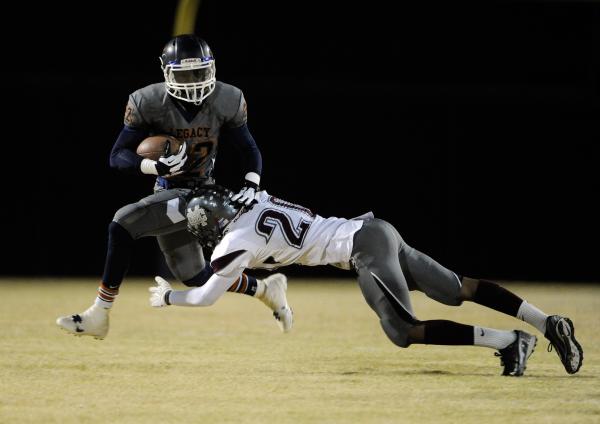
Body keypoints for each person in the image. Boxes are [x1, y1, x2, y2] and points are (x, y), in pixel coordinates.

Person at [148, 184, 583, 376]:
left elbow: (205, 298)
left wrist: (169, 298)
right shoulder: (252, 201)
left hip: (363, 249)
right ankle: (547, 322)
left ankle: (510, 343)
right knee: (458, 289)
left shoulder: (232, 242)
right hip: (377, 230)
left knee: (402, 330)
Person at [56, 34, 292, 340]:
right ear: (166, 71)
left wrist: (251, 181)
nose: (194, 82)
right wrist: (154, 166)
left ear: (212, 69)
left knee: (122, 223)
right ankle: (266, 289)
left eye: (200, 73)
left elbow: (249, 149)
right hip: (168, 190)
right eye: (184, 74)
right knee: (196, 276)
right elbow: (117, 156)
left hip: (202, 194)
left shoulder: (228, 98)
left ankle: (99, 314)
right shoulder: (148, 101)